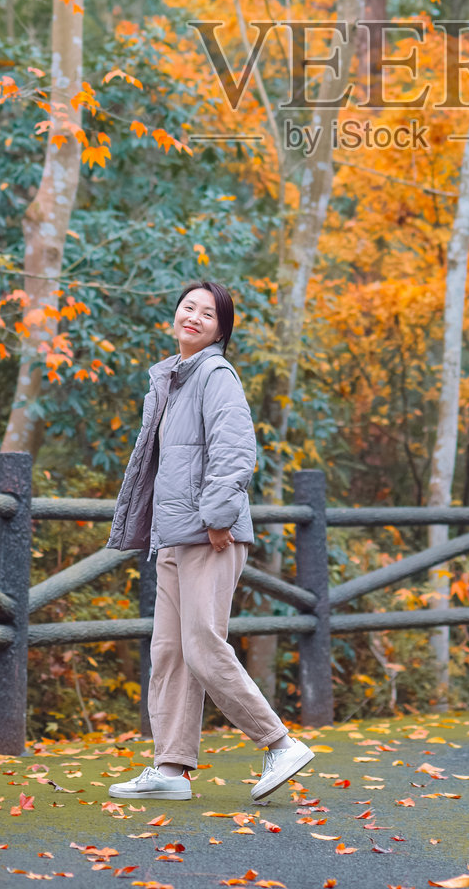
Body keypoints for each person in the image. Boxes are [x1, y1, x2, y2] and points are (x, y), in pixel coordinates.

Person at [105, 279, 314, 803]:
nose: (193, 317)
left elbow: (236, 446)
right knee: (171, 651)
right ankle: (171, 769)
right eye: (187, 308)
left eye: (207, 313)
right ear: (175, 315)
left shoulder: (215, 374)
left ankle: (279, 743)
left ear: (221, 329)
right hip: (174, 534)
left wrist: (218, 514)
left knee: (201, 644)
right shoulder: (173, 377)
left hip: (209, 533)